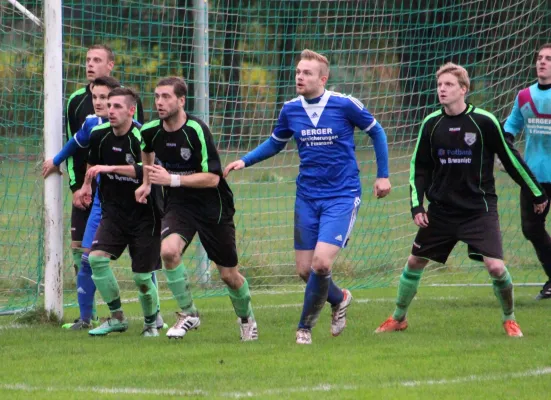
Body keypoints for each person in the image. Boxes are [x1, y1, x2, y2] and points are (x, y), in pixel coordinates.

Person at [224, 49, 391, 345]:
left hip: (342, 195)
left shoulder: (344, 105)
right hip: (307, 197)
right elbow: (276, 143)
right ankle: (340, 299)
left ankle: (304, 328)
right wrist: (245, 161)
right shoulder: (290, 109)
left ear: (322, 78)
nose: (300, 76)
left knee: (321, 264)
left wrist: (383, 175)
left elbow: (377, 132)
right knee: (304, 270)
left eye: (307, 73)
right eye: (298, 71)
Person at [375, 62, 548, 338]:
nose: (442, 90)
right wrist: (417, 205)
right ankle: (398, 317)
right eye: (439, 85)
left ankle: (509, 319)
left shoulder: (484, 122)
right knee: (414, 262)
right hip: (442, 211)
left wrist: (535, 191)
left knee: (496, 266)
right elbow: (418, 168)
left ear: (463, 89)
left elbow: (510, 157)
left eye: (448, 85)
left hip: (479, 210)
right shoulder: (431, 123)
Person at [136, 76, 258, 341]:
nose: (159, 102)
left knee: (228, 275)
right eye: (157, 96)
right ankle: (189, 312)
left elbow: (213, 177)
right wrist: (147, 183)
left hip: (212, 205)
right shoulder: (150, 130)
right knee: (168, 251)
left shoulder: (196, 130)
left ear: (181, 101)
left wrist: (172, 179)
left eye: (166, 96)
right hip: (179, 204)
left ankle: (247, 318)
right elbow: (146, 151)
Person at [42, 44, 146, 329]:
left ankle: (152, 319)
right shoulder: (81, 110)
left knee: (142, 262)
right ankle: (89, 316)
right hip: (93, 196)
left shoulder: (130, 109)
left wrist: (144, 185)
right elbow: (76, 144)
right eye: (87, 60)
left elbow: (144, 153)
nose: (101, 103)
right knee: (85, 254)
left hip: (125, 197)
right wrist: (76, 181)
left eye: (96, 60)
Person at [77, 87, 161, 337]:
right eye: (109, 105)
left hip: (146, 214)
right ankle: (117, 317)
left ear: (131, 110)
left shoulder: (142, 136)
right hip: (114, 213)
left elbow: (145, 169)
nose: (110, 110)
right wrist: (86, 185)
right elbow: (93, 164)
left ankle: (150, 324)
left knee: (142, 277)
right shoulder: (99, 134)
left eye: (117, 107)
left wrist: (108, 167)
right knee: (96, 259)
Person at [503, 43, 551, 300]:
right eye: (540, 58)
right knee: (531, 229)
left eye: (548, 59)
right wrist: (504, 152)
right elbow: (509, 131)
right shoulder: (524, 96)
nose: (542, 62)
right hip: (534, 179)